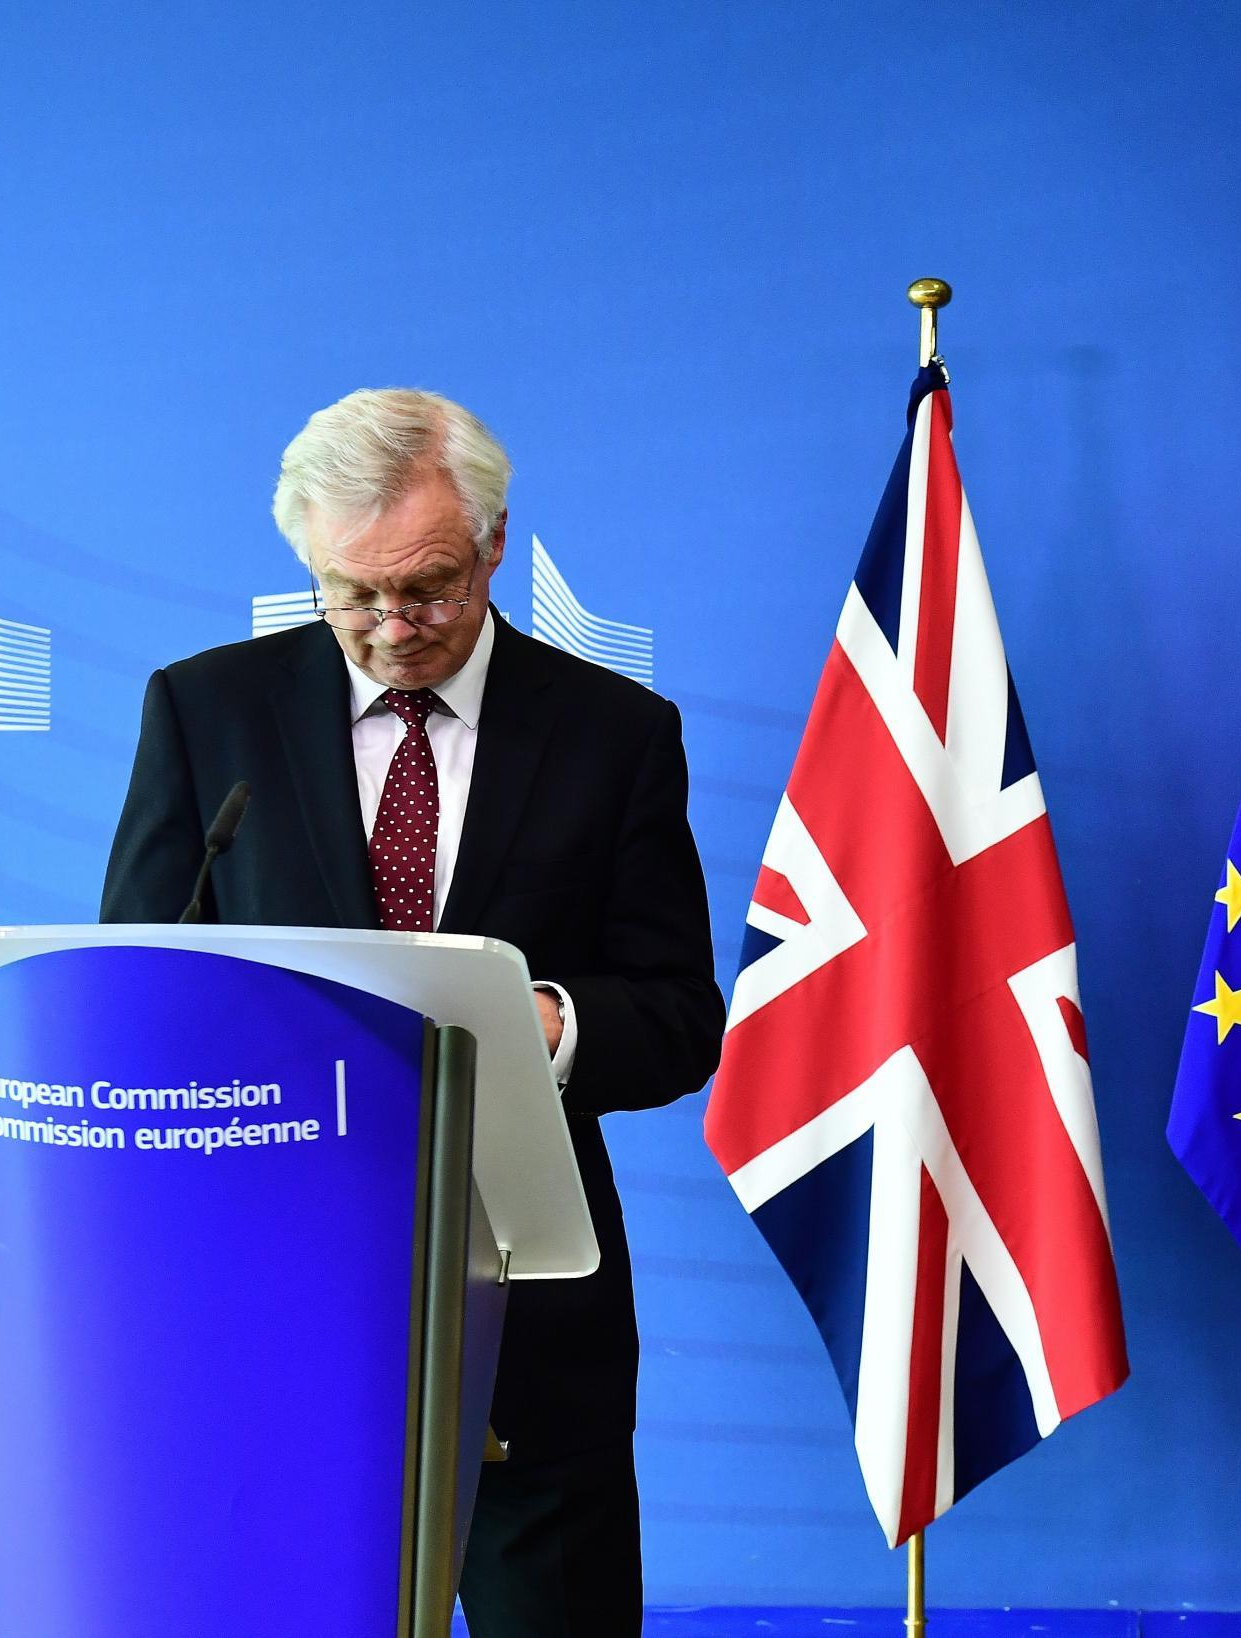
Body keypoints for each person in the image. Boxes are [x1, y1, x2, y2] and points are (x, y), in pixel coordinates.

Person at [101, 388, 723, 1635]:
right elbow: (139, 983)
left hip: (529, 1295)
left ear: (496, 543)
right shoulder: (204, 711)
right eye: (351, 592)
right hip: (276, 1273)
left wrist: (545, 1023)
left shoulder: (615, 734)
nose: (391, 627)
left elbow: (677, 1017)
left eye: (429, 586)